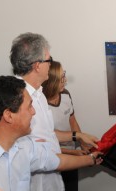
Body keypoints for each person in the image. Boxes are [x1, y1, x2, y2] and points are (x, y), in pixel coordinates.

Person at [9, 32, 99, 191]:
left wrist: (77, 135)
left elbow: (47, 134)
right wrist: (89, 159)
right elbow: (40, 157)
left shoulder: (39, 95)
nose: (50, 64)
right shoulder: (17, 100)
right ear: (37, 65)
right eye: (48, 60)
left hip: (53, 181)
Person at [0, 76, 102, 191]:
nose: (33, 112)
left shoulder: (25, 147)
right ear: (8, 115)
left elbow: (56, 161)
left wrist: (90, 159)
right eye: (29, 107)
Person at [42, 61, 87, 191]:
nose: (65, 80)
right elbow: (44, 141)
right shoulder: (40, 105)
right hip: (53, 159)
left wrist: (83, 142)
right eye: (61, 78)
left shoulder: (66, 94)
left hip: (72, 157)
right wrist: (73, 153)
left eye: (64, 75)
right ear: (50, 81)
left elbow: (72, 121)